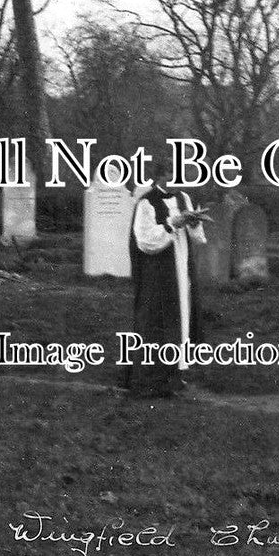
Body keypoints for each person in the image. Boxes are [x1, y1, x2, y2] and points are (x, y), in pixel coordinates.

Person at [123, 160, 206, 398]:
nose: (174, 181)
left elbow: (196, 237)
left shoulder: (183, 198)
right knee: (157, 321)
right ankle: (152, 379)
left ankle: (175, 375)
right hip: (158, 271)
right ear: (158, 177)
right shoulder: (147, 203)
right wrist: (171, 225)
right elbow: (145, 241)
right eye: (170, 176)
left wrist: (194, 221)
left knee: (181, 320)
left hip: (181, 268)